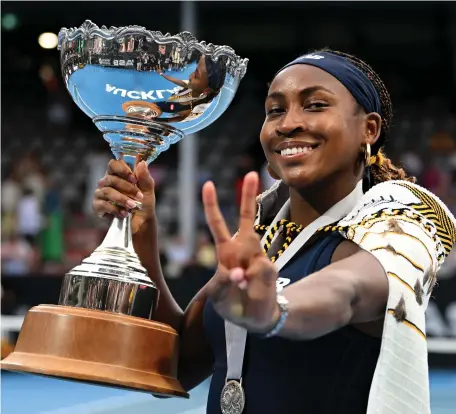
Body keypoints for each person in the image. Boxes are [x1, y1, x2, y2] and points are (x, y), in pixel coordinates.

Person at [92, 49, 456, 414]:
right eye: (275, 110)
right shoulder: (262, 235)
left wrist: (275, 309)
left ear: (369, 129)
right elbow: (174, 366)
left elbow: (349, 291)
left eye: (315, 105)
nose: (288, 123)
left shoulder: (397, 219)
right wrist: (141, 228)